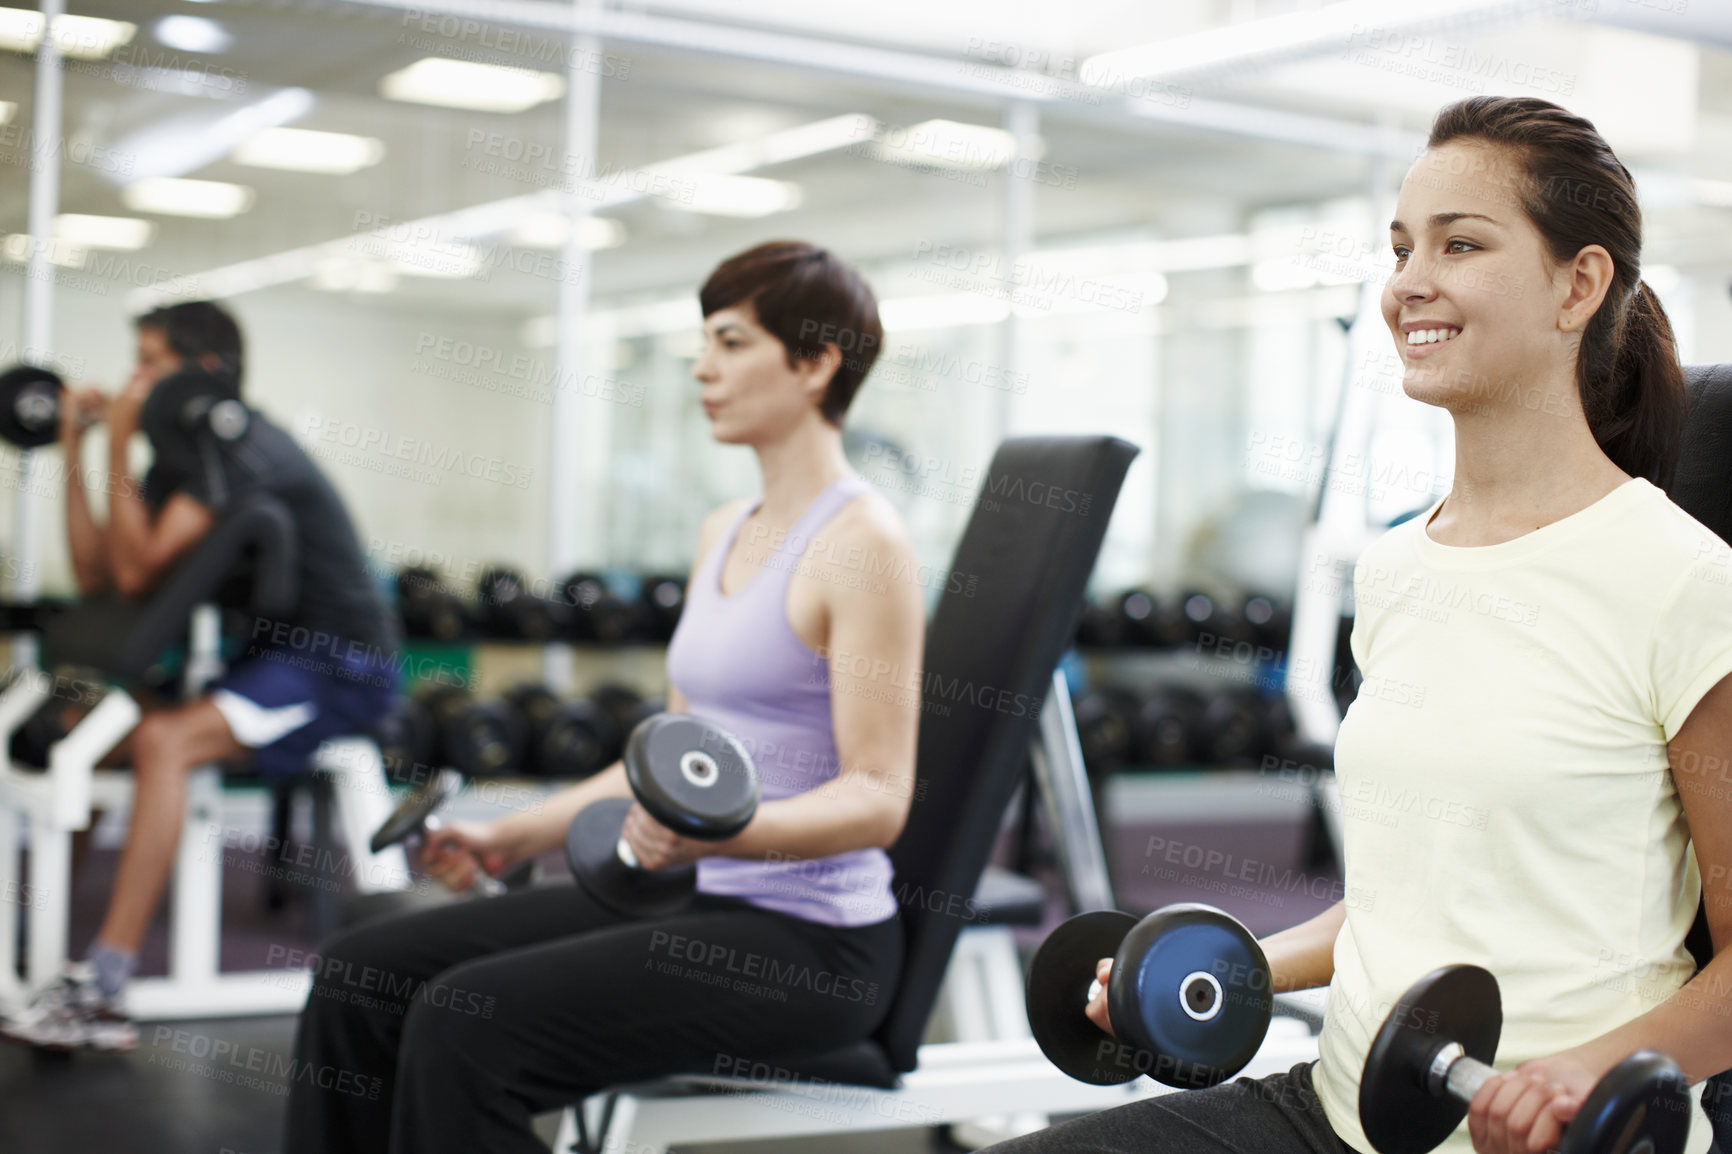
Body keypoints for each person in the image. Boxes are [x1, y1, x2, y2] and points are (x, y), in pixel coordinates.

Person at [989, 95, 1732, 1154]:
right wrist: (1220, 959)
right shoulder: (1393, 567)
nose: (1407, 284)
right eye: (1400, 248)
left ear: (1579, 283)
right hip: (1341, 1105)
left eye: (1459, 243)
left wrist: (1580, 1068)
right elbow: (1399, 899)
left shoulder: (1683, 579)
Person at [282, 240, 925, 1154]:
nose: (704, 368)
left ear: (816, 362)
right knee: (358, 974)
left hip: (810, 944)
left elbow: (879, 796)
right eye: (704, 341)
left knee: (466, 1029)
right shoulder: (724, 531)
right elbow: (675, 757)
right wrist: (516, 833)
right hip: (693, 891)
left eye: (733, 343)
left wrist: (721, 832)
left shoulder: (865, 544)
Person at [0, 300, 401, 1051]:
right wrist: (77, 449)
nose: (134, 380)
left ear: (204, 373)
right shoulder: (184, 461)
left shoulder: (242, 445)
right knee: (97, 734)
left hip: (339, 665)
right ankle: (34, 942)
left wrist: (115, 438)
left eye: (150, 363)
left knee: (162, 743)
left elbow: (137, 566)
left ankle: (106, 990)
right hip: (268, 661)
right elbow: (100, 576)